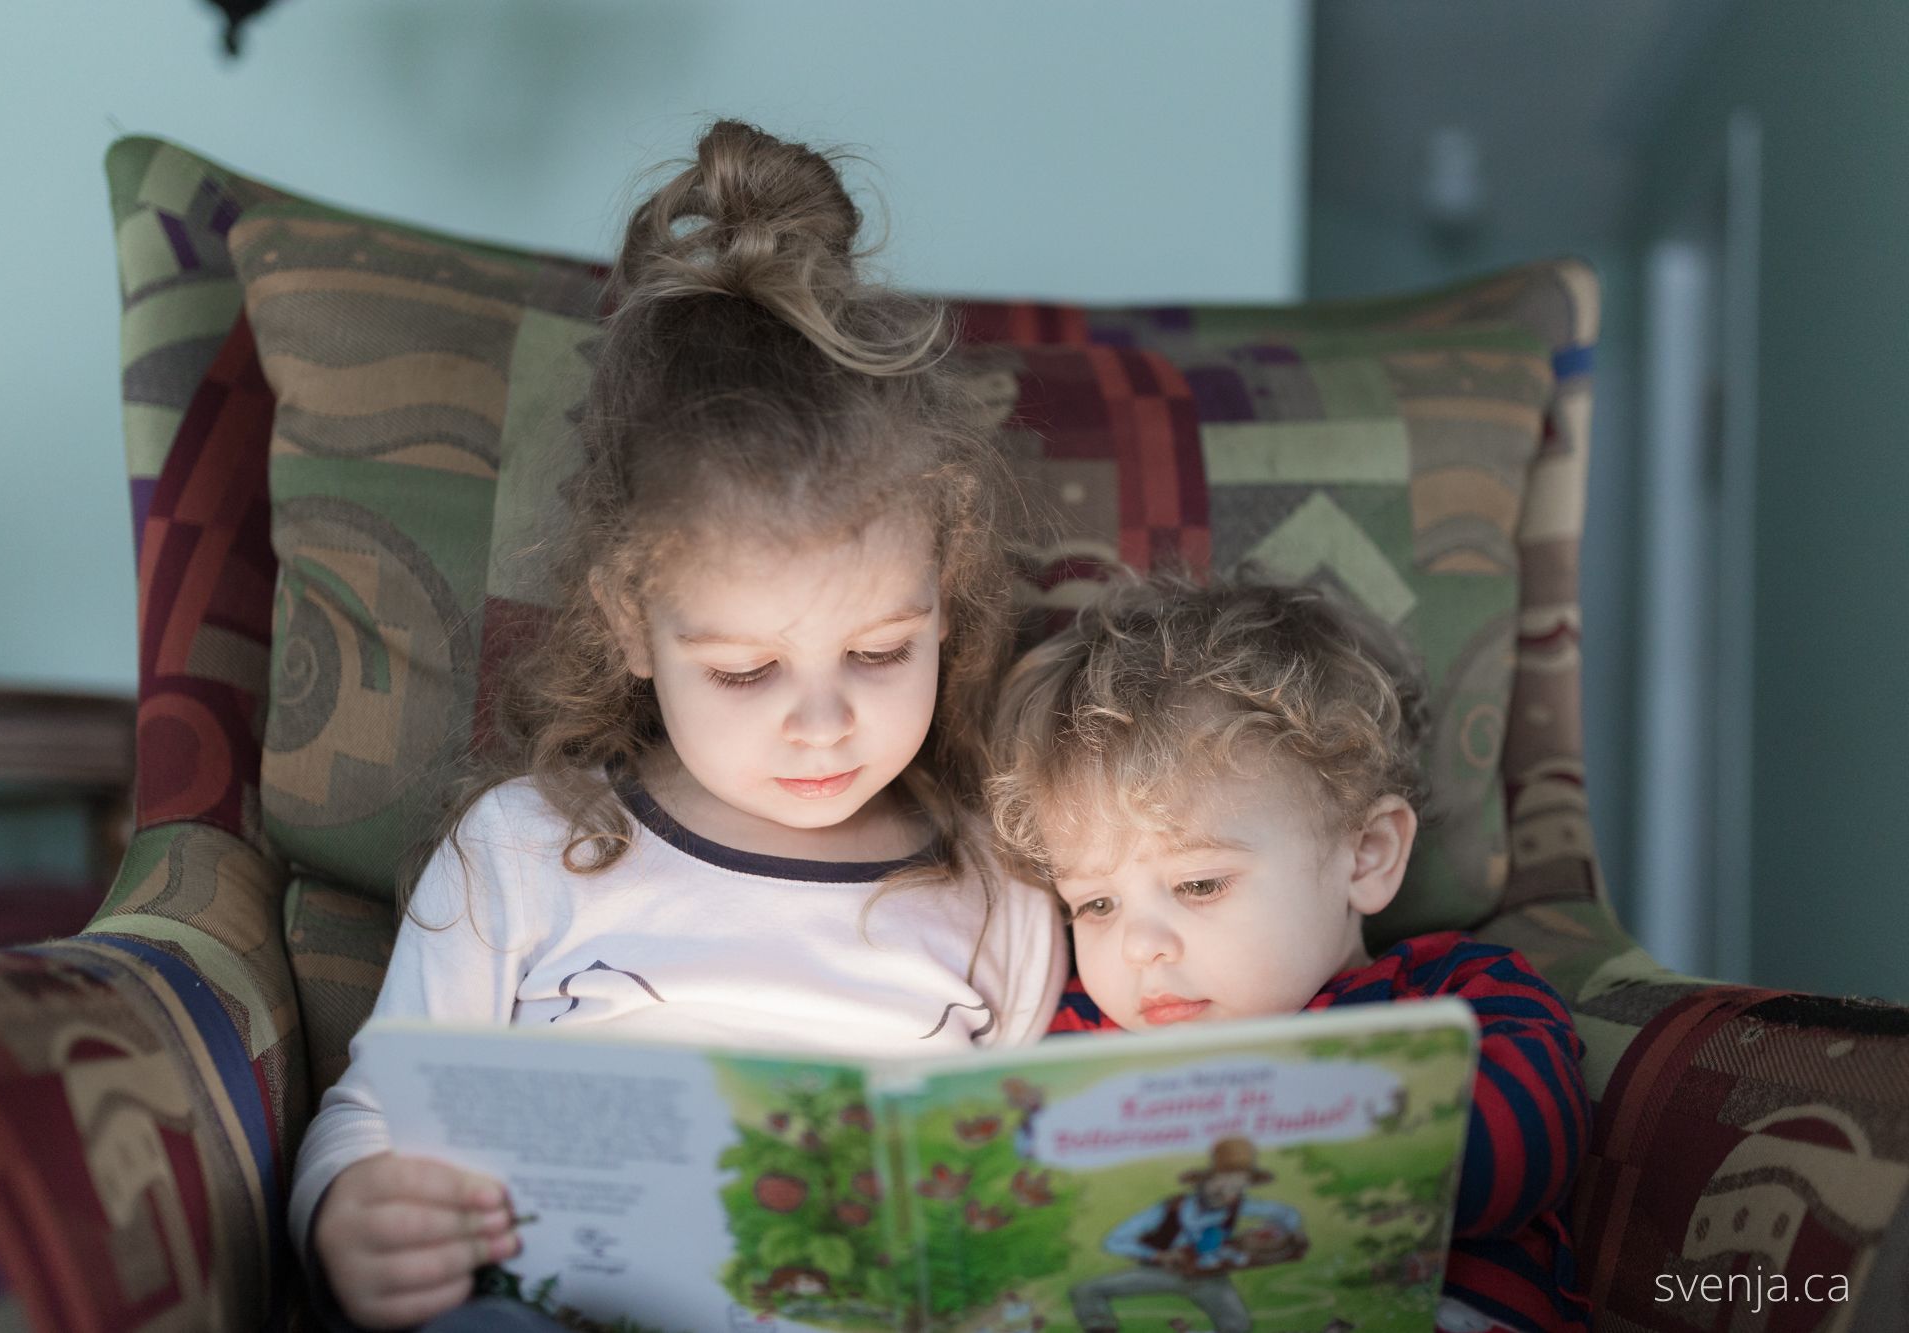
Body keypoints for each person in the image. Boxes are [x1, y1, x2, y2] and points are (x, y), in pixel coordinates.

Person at [290, 119, 1067, 1332]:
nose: (823, 723)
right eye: (746, 670)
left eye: (877, 652)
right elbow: (381, 1113)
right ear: (627, 618)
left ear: (945, 600)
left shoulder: (996, 881)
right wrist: (352, 1214)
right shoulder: (527, 849)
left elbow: (1032, 1177)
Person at [987, 570, 1591, 1333]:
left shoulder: (1458, 997)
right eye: (1096, 903)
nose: (1138, 944)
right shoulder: (1075, 1038)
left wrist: (1249, 1146)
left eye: (1200, 883)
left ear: (1366, 854)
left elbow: (1524, 1151)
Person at [1070, 1136, 1304, 1333]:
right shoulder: (1172, 1208)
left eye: (1237, 1187)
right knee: (1085, 1289)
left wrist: (1276, 1233)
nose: (1228, 1194)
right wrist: (1158, 1256)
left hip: (1209, 1277)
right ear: (1204, 1180)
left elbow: (1287, 1214)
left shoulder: (1238, 1205)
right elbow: (1114, 1241)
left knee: (1238, 1326)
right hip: (1163, 1271)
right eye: (1222, 1184)